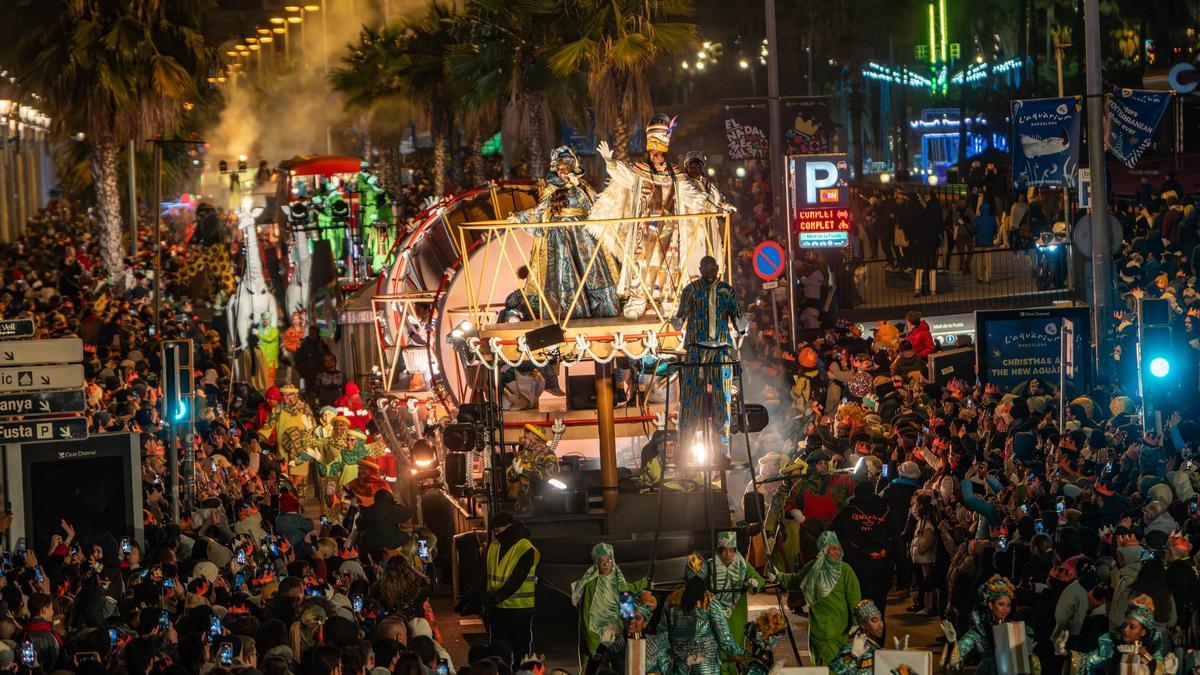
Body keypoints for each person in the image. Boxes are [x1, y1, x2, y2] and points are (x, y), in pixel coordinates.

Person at [593, 113, 723, 319]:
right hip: (644, 230)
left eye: (659, 150)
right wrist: (610, 161)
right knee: (641, 263)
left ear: (664, 150)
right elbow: (623, 175)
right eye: (653, 150)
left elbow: (692, 195)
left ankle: (669, 300)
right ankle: (638, 300)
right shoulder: (639, 171)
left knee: (670, 265)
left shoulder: (675, 174)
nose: (656, 154)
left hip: (670, 230)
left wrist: (714, 205)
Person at [508, 146, 619, 319]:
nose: (562, 172)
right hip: (559, 236)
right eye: (559, 168)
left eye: (566, 168)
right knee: (563, 273)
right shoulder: (551, 189)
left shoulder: (583, 186)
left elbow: (593, 205)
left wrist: (577, 186)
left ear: (573, 168)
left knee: (591, 270)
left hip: (582, 235)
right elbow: (539, 209)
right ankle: (571, 312)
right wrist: (519, 217)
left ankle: (601, 309)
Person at [671, 255, 747, 460]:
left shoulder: (727, 291)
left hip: (721, 351)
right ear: (700, 270)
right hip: (696, 351)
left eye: (712, 268)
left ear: (717, 268)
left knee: (723, 401)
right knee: (689, 400)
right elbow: (680, 319)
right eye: (706, 268)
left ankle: (722, 450)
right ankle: (684, 450)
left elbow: (738, 322)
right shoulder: (690, 290)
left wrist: (743, 327)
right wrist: (675, 321)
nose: (709, 272)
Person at [773, 531, 863, 666]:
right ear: (824, 550)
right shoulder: (814, 567)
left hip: (840, 631)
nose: (837, 552)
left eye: (839, 548)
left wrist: (856, 625)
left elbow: (854, 600)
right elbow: (795, 580)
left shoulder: (845, 570)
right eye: (833, 548)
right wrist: (778, 576)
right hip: (818, 631)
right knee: (821, 668)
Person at [692, 532, 764, 675]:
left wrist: (754, 583)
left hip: (737, 617)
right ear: (719, 550)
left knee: (735, 648)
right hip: (715, 615)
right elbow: (695, 583)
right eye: (724, 550)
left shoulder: (743, 565)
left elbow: (760, 581)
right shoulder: (710, 565)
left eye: (731, 550)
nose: (728, 554)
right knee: (718, 649)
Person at [570, 543, 648, 670]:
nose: (605, 564)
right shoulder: (591, 583)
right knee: (594, 666)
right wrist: (590, 637)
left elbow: (626, 605)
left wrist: (645, 583)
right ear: (596, 563)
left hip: (615, 633)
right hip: (595, 633)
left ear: (613, 560)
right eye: (601, 562)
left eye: (608, 560)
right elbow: (586, 613)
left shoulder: (618, 581)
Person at [944, 575, 1038, 675]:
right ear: (990, 605)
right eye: (1001, 604)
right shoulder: (980, 631)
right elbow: (955, 659)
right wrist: (952, 643)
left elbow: (1028, 663)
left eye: (1008, 605)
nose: (1005, 609)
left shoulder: (1015, 629)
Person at [659, 575, 745, 675]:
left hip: (681, 668)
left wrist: (666, 667)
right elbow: (724, 639)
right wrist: (743, 653)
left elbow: (661, 633)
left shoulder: (672, 599)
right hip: (707, 669)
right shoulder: (709, 600)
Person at [484, 512, 540, 665]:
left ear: (510, 527)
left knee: (519, 649)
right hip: (498, 609)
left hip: (519, 610)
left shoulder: (525, 548)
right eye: (493, 531)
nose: (495, 534)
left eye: (498, 530)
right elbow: (485, 574)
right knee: (498, 650)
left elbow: (516, 581)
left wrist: (493, 598)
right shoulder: (494, 546)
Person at [1068, 595, 1169, 675]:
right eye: (1124, 625)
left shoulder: (1152, 650)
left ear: (1143, 631)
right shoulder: (1114, 647)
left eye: (1132, 627)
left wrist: (1144, 655)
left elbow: (1161, 670)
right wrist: (1065, 653)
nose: (1125, 630)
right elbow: (1087, 661)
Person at [830, 600, 886, 675]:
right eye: (874, 620)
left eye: (881, 619)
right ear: (863, 625)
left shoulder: (873, 645)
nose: (881, 625)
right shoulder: (853, 646)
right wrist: (851, 656)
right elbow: (833, 670)